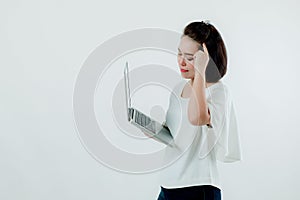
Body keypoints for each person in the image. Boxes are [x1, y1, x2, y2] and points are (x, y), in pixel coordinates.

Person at [156, 21, 242, 200]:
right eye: (179, 53)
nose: (181, 61)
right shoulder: (178, 88)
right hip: (169, 184)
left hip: (198, 186)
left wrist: (201, 71)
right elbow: (174, 135)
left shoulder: (218, 91)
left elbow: (197, 117)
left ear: (205, 58)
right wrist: (151, 129)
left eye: (189, 57)